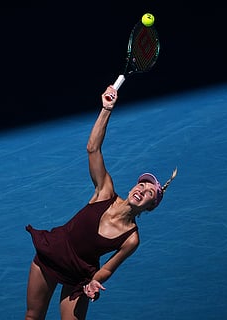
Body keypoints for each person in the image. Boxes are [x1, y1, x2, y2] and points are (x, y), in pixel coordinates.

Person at [25, 85, 177, 320]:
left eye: (148, 193)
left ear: (150, 206)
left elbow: (107, 268)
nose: (142, 189)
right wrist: (106, 109)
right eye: (142, 184)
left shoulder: (131, 238)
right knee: (33, 317)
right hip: (52, 253)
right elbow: (93, 148)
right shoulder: (105, 192)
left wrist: (94, 283)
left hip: (79, 276)